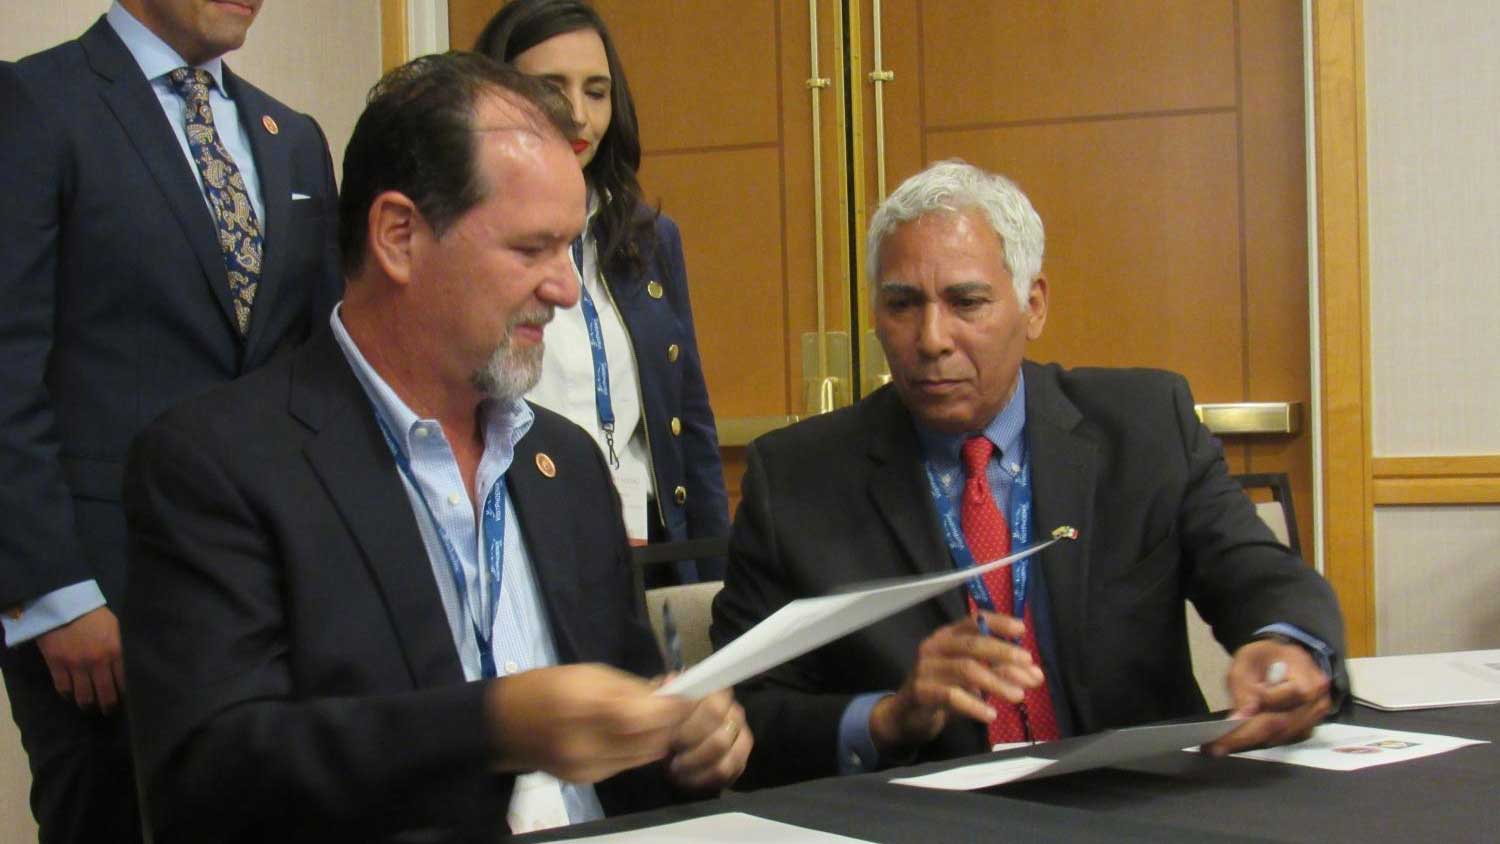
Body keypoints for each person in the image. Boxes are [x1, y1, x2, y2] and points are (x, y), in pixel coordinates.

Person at [121, 52, 749, 842]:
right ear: (398, 236)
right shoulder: (219, 465)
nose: (564, 287)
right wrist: (496, 724)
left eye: (569, 249)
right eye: (531, 250)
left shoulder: (565, 464)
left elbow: (623, 730)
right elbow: (208, 780)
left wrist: (683, 738)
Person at [710, 160, 1346, 789]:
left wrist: (1285, 647)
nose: (931, 338)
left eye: (967, 302)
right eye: (903, 304)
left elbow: (1257, 572)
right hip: (928, 823)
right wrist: (888, 718)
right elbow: (744, 715)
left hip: (1134, 810)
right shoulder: (796, 478)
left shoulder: (1146, 427)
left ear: (1032, 305)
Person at [0, 2, 341, 839]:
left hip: (272, 586)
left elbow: (320, 373)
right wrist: (54, 596)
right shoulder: (37, 105)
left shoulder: (291, 136)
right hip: (102, 600)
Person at [476, 0, 728, 585]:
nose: (579, 116)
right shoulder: (469, 234)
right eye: (550, 87)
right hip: (523, 539)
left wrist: (717, 582)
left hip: (644, 545)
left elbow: (690, 422)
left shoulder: (647, 236)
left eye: (596, 91)